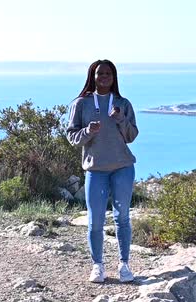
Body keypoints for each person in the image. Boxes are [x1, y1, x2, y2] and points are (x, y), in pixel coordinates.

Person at [66, 60, 139, 283]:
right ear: (93, 76)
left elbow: (132, 136)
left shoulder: (123, 103)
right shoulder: (81, 104)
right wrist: (88, 131)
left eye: (108, 73)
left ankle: (124, 265)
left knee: (122, 218)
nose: (104, 76)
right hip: (96, 170)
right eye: (100, 73)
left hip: (123, 168)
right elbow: (72, 137)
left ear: (114, 77)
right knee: (95, 220)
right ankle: (97, 266)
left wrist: (120, 119)